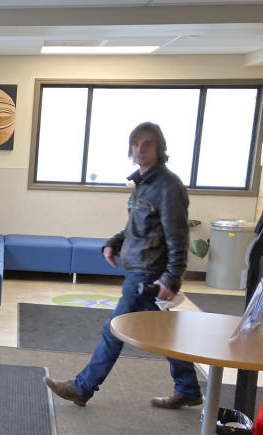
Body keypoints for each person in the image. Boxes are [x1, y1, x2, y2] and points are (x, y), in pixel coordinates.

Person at [45, 122, 202, 409]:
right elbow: (136, 226)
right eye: (136, 144)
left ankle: (82, 388)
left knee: (114, 329)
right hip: (138, 268)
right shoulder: (143, 184)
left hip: (149, 273)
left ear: (159, 148)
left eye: (147, 144)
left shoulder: (168, 187)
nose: (140, 149)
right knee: (164, 333)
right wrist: (114, 242)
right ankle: (189, 388)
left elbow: (178, 236)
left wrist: (172, 278)